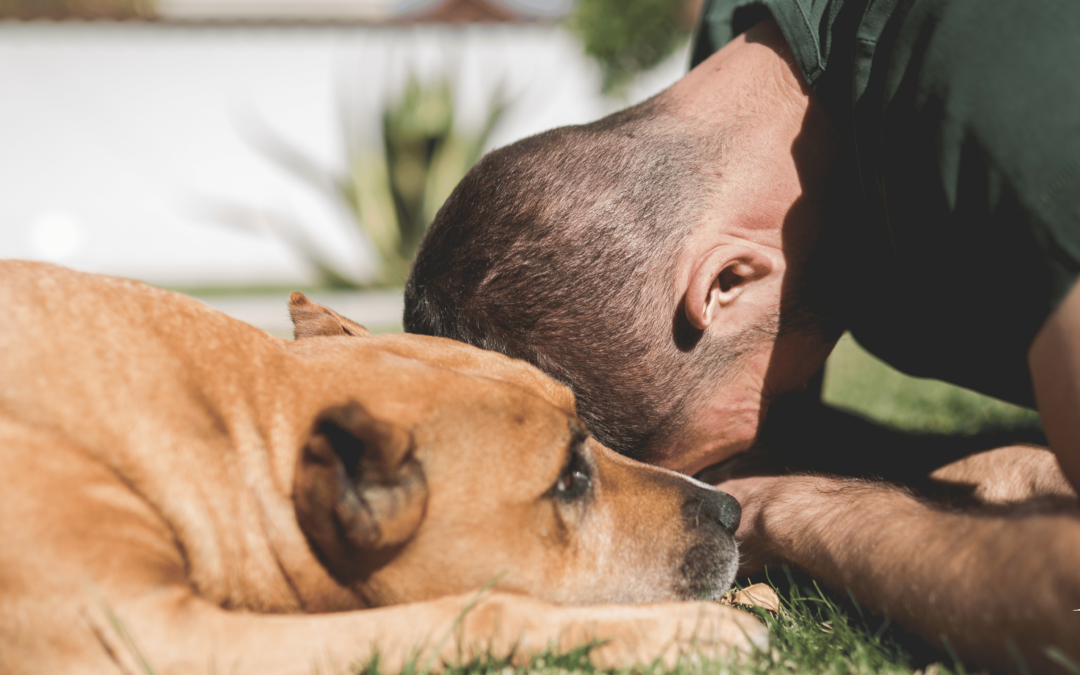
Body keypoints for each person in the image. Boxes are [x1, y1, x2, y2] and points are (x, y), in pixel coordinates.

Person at [403, 0, 1080, 670]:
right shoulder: (742, 88)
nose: (741, 475)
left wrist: (797, 510)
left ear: (724, 282)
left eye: (705, 468)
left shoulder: (1002, 108)